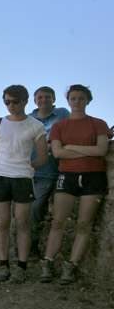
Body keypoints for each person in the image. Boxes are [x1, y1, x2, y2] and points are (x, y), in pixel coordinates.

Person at [41, 85, 112, 285]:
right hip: (68, 175)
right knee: (59, 222)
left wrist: (71, 147)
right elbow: (57, 153)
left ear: (88, 101)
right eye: (73, 98)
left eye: (81, 98)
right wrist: (86, 150)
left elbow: (101, 150)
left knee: (84, 224)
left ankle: (71, 266)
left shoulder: (98, 123)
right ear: (68, 101)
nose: (77, 101)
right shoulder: (59, 126)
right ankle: (48, 262)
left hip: (94, 176)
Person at [0, 85, 48, 284]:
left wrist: (25, 167)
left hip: (22, 179)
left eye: (14, 101)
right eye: (7, 102)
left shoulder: (36, 126)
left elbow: (43, 157)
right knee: (2, 223)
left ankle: (22, 266)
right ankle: (3, 264)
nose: (10, 105)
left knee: (22, 222)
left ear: (25, 101)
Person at [27, 87, 70, 261]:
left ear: (53, 99)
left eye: (47, 97)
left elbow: (71, 134)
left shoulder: (62, 114)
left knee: (36, 208)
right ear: (35, 100)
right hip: (28, 171)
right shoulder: (28, 118)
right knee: (20, 212)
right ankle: (20, 250)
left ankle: (32, 247)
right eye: (40, 97)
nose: (43, 100)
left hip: (51, 172)